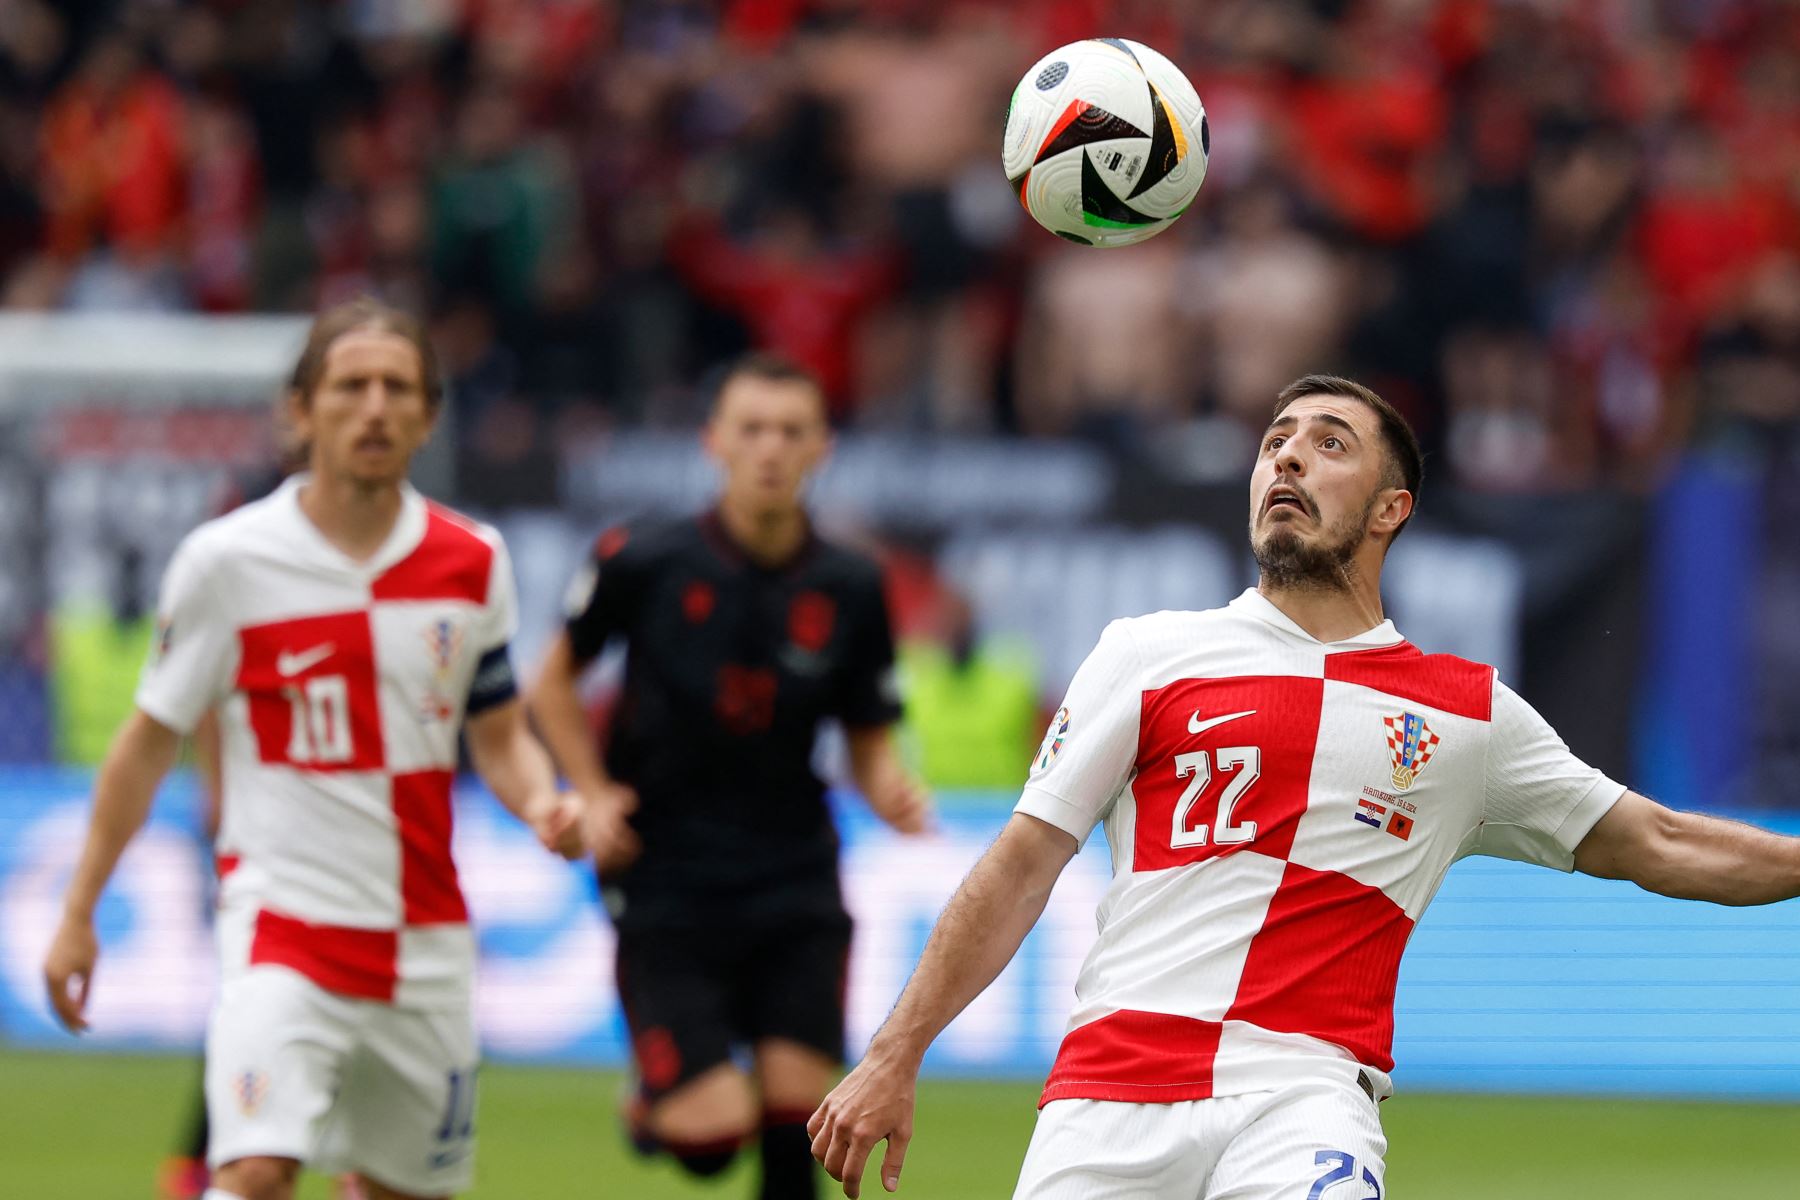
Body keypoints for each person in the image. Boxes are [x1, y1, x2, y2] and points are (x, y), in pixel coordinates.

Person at [809, 373, 1800, 1200]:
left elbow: (1664, 842)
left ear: (1390, 510)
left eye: (1328, 443)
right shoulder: (1148, 655)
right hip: (1107, 1096)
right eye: (1275, 441)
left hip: (1305, 1096)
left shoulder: (1466, 714)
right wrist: (895, 1053)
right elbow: (1020, 866)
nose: (1286, 457)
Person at [43, 296, 584, 1200]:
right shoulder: (227, 562)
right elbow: (145, 744)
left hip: (426, 940)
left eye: (396, 387)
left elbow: (497, 734)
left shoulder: (474, 562)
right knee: (254, 1169)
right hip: (282, 929)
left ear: (428, 415)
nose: (373, 407)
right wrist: (78, 911)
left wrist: (541, 801)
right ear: (299, 412)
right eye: (350, 386)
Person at [527, 353, 931, 1200]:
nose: (770, 449)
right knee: (710, 1141)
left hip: (794, 874)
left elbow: (865, 736)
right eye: (751, 430)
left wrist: (886, 785)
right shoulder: (641, 558)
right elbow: (552, 683)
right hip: (666, 873)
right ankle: (656, 1108)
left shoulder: (852, 584)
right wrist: (590, 791)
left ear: (822, 446)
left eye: (791, 431)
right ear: (714, 442)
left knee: (801, 1126)